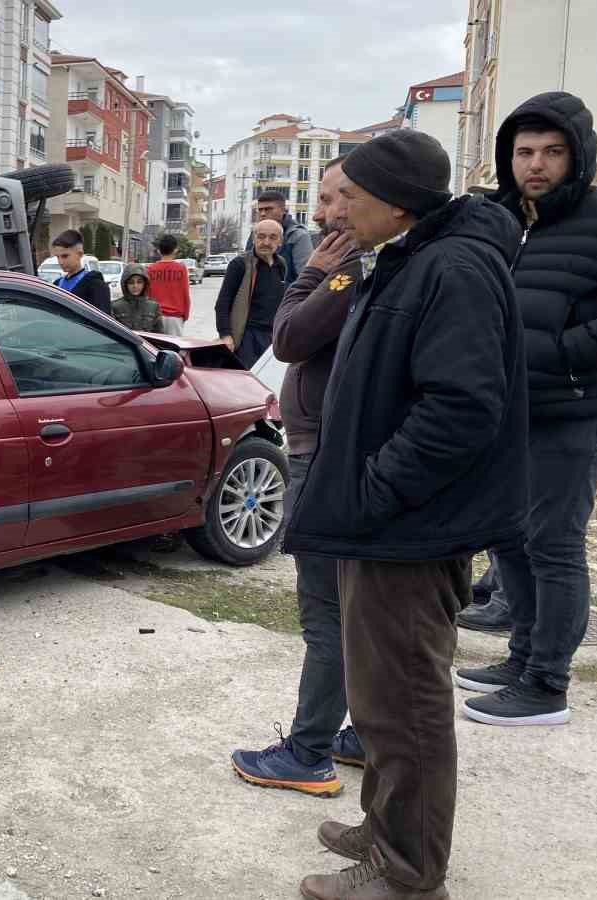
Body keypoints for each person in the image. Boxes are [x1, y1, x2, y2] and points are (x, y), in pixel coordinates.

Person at [286, 130, 527, 900]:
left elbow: (461, 408)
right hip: (384, 523)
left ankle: (408, 874)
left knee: (407, 702)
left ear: (395, 202)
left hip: (408, 529)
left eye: (348, 197)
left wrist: (373, 492)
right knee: (377, 693)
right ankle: (383, 827)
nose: (334, 211)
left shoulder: (451, 267)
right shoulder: (411, 256)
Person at [455, 92, 597, 726]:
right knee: (511, 542)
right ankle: (521, 656)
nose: (537, 164)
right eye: (525, 152)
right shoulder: (493, 218)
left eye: (553, 152)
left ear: (577, 156)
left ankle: (548, 684)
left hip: (574, 409)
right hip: (504, 411)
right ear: (508, 157)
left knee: (553, 544)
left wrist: (560, 353)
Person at [230, 154, 366, 798]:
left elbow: (288, 337)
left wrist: (309, 275)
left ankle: (309, 751)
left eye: (337, 198)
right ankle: (365, 733)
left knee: (326, 613)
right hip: (335, 446)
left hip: (323, 452)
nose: (319, 214)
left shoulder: (346, 268)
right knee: (359, 610)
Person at [215, 219, 288, 367]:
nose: (266, 242)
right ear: (254, 238)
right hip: (246, 337)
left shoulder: (281, 264)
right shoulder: (240, 264)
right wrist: (226, 335)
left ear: (280, 241)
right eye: (261, 236)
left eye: (272, 237)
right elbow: (223, 303)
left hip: (272, 338)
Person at [249, 189, 315, 275]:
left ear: (283, 210)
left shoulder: (297, 235)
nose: (263, 214)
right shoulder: (255, 233)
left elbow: (305, 276)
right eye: (260, 210)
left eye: (268, 209)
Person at [49, 229, 111, 315]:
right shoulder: (56, 284)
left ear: (80, 254)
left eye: (65, 256)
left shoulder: (96, 285)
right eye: (57, 257)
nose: (60, 262)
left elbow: (104, 321)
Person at [145, 234, 192, 334]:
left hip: (154, 315)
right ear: (175, 250)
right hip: (175, 317)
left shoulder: (150, 269)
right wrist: (185, 315)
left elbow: (147, 294)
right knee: (173, 348)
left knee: (154, 348)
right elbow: (185, 294)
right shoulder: (181, 268)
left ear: (158, 250)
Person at [111, 264, 162, 332]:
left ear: (145, 283)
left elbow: (159, 334)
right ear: (125, 284)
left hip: (147, 342)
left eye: (139, 282)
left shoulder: (153, 306)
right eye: (131, 282)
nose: (135, 286)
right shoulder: (115, 307)